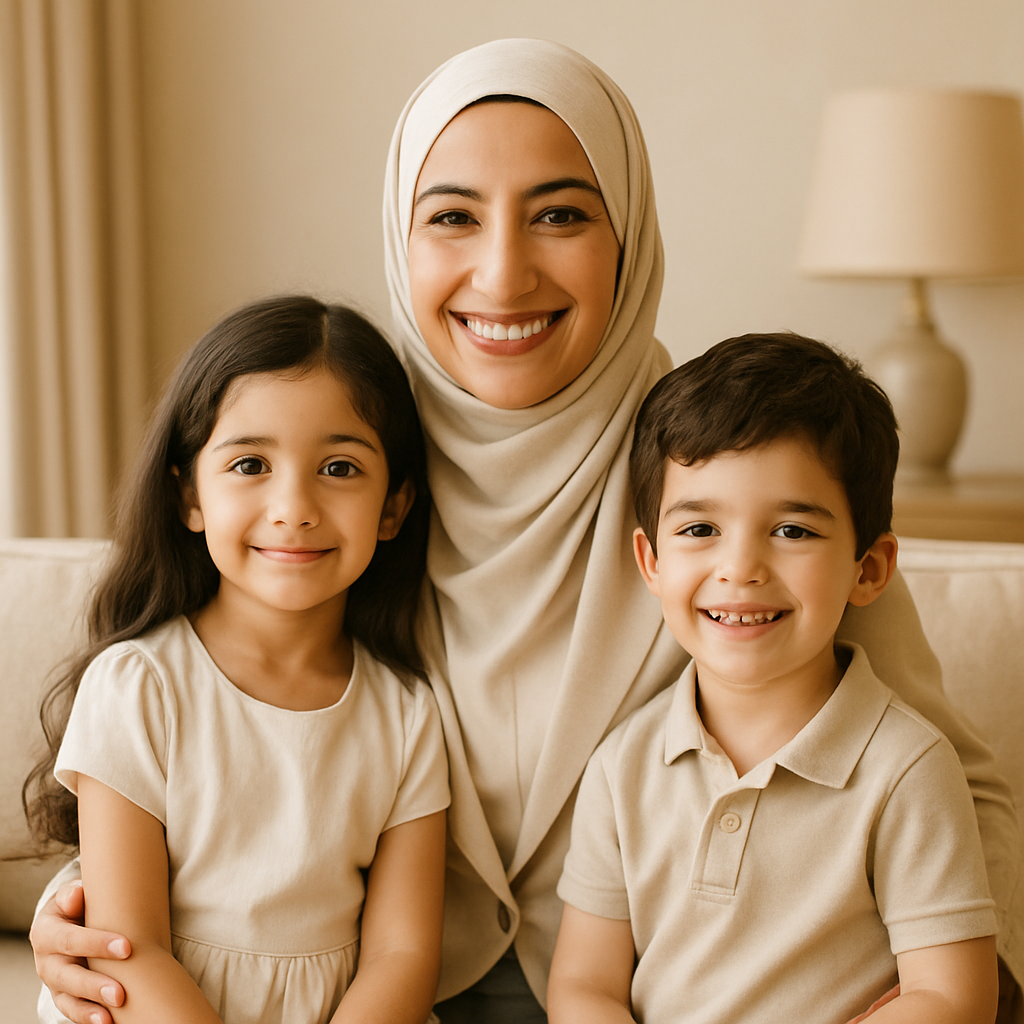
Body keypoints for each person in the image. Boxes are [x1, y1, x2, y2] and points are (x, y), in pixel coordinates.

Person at [29, 39, 1023, 1024]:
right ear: (401, 239)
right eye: (452, 217)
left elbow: (953, 790)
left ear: (626, 236)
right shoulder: (355, 462)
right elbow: (236, 749)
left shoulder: (713, 486)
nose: (502, 274)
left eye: (559, 215)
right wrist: (84, 913)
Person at [547, 333, 999, 1024]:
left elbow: (952, 994)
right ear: (651, 562)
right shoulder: (621, 767)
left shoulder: (907, 770)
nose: (741, 568)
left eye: (791, 531)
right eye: (700, 530)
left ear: (869, 569)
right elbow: (584, 987)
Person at [22, 296, 450, 1024]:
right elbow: (131, 949)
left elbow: (400, 957)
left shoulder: (405, 714)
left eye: (340, 467)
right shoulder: (138, 688)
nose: (294, 506)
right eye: (251, 463)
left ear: (394, 507)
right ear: (189, 492)